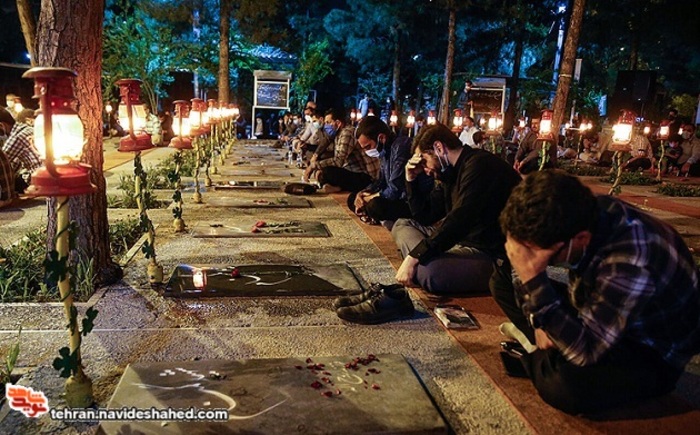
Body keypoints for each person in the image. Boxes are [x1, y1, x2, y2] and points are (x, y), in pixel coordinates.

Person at [492, 170, 700, 415]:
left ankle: (542, 355)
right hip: (595, 305)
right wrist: (539, 321)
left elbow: (587, 351)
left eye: (543, 256)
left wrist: (533, 280)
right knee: (502, 279)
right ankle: (547, 350)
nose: (533, 260)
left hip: (649, 350)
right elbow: (522, 272)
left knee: (566, 386)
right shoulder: (581, 210)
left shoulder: (630, 259)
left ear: (580, 238)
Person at [392, 123, 521, 295]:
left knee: (429, 272)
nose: (424, 169)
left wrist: (415, 256)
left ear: (439, 148)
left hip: (490, 253)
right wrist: (411, 180)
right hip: (462, 243)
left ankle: (421, 261)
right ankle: (422, 259)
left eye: (424, 161)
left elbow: (460, 220)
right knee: (401, 224)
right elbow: (425, 216)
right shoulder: (450, 172)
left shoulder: (479, 165)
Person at [348, 116, 413, 227]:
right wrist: (363, 193)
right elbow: (381, 181)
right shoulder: (384, 151)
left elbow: (395, 189)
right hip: (391, 196)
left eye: (368, 147)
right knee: (353, 198)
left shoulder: (401, 147)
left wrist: (369, 199)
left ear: (381, 138)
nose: (366, 151)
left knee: (375, 205)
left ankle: (373, 215)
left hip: (407, 201)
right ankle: (373, 215)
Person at [308, 108, 380, 193]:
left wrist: (313, 166)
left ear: (338, 123)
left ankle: (341, 187)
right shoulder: (338, 133)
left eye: (328, 122)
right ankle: (337, 187)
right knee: (321, 170)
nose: (326, 126)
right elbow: (326, 141)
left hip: (365, 176)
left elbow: (339, 161)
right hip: (351, 171)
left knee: (326, 171)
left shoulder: (348, 132)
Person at [1, 109, 40, 194]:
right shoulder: (27, 129)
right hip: (49, 176)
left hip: (40, 182)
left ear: (1, 125)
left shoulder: (17, 137)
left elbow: (2, 161)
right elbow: (14, 164)